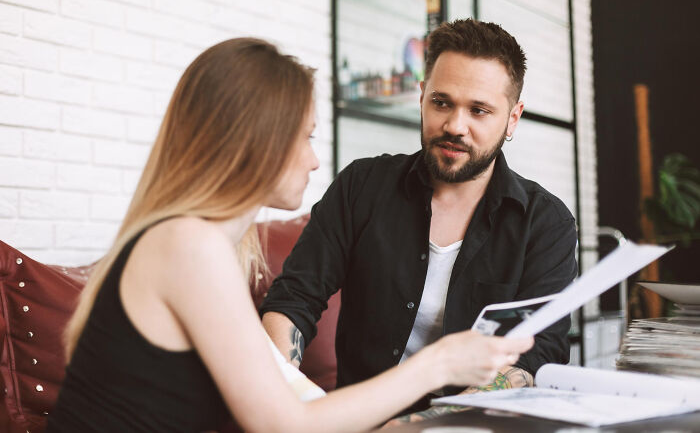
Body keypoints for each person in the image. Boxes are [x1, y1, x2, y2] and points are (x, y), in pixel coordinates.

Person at [47, 37, 533, 432]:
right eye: (305, 136)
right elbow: (283, 425)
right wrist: (438, 366)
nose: (315, 159)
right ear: (255, 141)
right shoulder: (188, 246)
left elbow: (279, 394)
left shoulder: (202, 242)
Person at [261, 19, 578, 415]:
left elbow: (538, 354)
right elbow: (294, 299)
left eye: (479, 110)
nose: (454, 126)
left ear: (513, 118)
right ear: (422, 95)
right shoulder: (361, 185)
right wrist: (282, 402)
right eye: (441, 102)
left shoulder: (546, 223)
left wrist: (422, 425)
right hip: (360, 419)